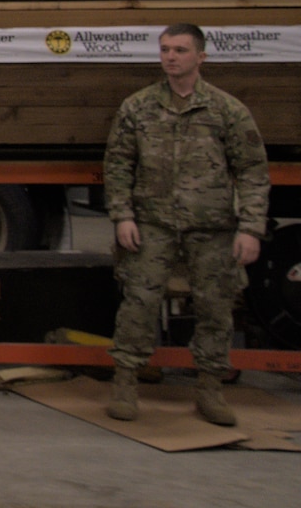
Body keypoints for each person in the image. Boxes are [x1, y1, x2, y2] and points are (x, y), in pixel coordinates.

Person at [104, 22, 269, 426]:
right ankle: (125, 382)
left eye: (179, 50)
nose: (170, 57)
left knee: (215, 308)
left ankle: (210, 388)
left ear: (201, 56)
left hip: (211, 227)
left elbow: (251, 170)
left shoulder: (227, 110)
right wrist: (122, 216)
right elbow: (118, 165)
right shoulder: (138, 107)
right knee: (139, 304)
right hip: (152, 224)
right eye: (164, 49)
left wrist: (250, 227)